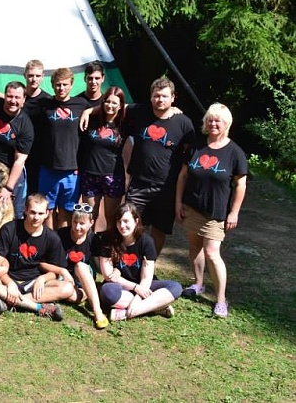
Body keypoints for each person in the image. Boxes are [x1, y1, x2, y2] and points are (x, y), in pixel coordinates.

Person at [175, 103, 247, 318]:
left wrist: (234, 212)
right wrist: (178, 202)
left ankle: (221, 300)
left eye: (218, 120)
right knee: (194, 246)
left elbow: (240, 184)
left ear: (227, 124)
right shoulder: (197, 146)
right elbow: (183, 175)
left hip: (216, 212)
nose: (213, 123)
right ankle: (198, 284)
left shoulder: (235, 152)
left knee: (212, 253)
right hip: (192, 206)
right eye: (210, 119)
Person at [123, 77, 195, 254]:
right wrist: (89, 111)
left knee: (159, 230)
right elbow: (114, 105)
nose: (160, 99)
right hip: (139, 184)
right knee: (130, 225)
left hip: (166, 188)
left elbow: (190, 154)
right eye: (156, 96)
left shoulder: (184, 123)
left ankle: (150, 263)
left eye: (164, 96)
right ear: (150, 97)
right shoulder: (140, 112)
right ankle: (130, 262)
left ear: (173, 97)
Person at [0, 193, 73, 320]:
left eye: (40, 213)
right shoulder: (9, 229)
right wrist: (10, 283)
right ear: (25, 210)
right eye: (33, 212)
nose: (36, 217)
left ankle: (9, 302)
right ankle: (38, 307)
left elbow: (54, 271)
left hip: (34, 283)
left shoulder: (52, 238)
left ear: (47, 214)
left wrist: (42, 279)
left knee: (67, 288)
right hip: (8, 278)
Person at [97, 202, 182, 321]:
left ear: (136, 221)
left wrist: (137, 298)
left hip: (144, 284)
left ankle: (127, 313)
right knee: (107, 292)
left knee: (175, 287)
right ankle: (156, 306)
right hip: (121, 286)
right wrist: (136, 288)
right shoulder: (108, 240)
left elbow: (147, 277)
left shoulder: (147, 242)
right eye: (119, 221)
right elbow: (108, 275)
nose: (122, 225)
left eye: (126, 221)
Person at [36, 67, 90, 229]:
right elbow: (22, 102)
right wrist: (0, 94)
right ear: (53, 85)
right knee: (47, 211)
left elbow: (106, 106)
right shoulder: (44, 104)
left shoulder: (81, 104)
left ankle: (62, 242)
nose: (61, 88)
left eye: (65, 84)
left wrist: (89, 111)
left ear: (71, 85)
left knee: (66, 212)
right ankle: (50, 242)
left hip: (71, 170)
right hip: (48, 168)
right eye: (58, 85)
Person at [0, 81, 33, 218]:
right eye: (9, 96)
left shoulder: (25, 125)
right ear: (4, 96)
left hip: (9, 173)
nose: (13, 101)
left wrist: (8, 188)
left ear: (24, 100)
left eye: (17, 97)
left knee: (13, 213)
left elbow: (19, 160)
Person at [78, 86, 127, 231]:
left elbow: (138, 109)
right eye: (107, 101)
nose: (110, 105)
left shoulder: (125, 124)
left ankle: (108, 244)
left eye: (114, 103)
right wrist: (88, 111)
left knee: (111, 218)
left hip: (113, 176)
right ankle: (89, 244)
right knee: (89, 216)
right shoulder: (92, 120)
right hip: (90, 174)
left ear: (120, 105)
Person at [57, 204, 108, 329]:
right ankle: (87, 293)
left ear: (91, 223)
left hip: (83, 275)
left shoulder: (94, 239)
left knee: (80, 266)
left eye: (82, 223)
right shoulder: (61, 235)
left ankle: (97, 311)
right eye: (75, 222)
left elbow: (101, 265)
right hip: (65, 278)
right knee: (70, 296)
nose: (77, 227)